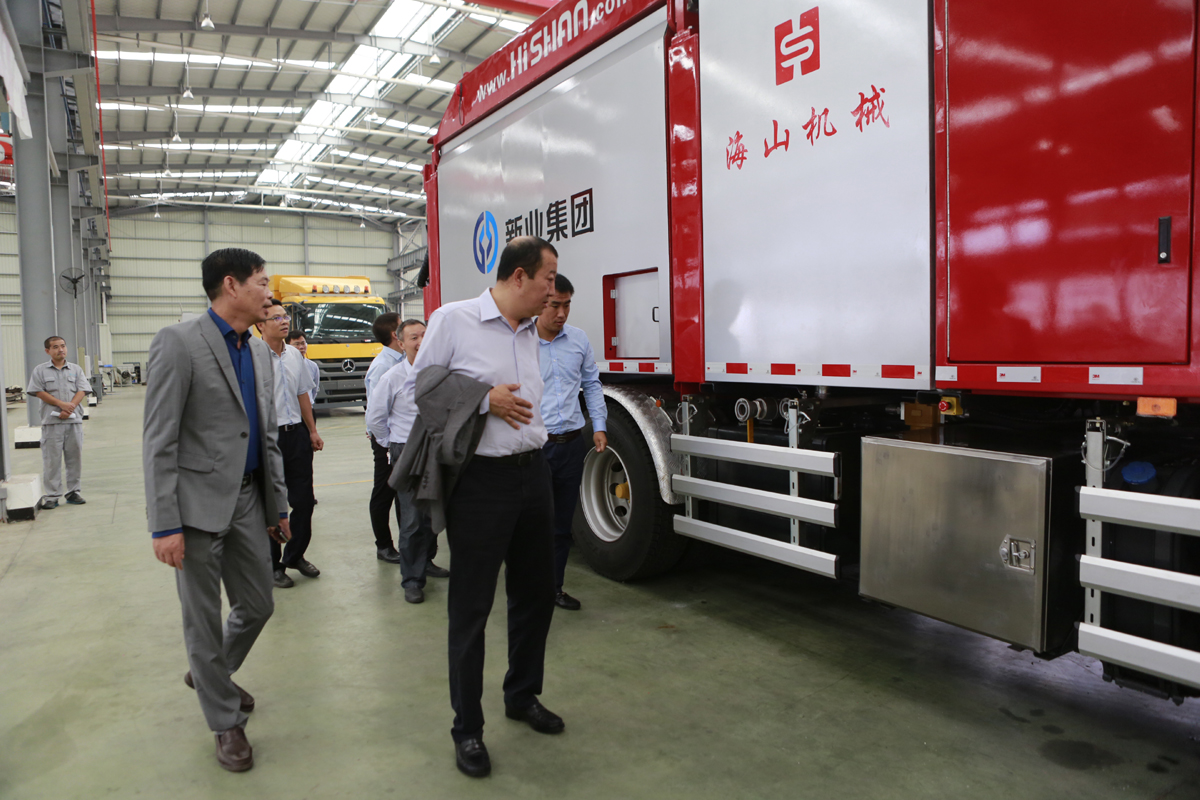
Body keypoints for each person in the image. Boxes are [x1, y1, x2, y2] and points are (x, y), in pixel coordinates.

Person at [403, 236, 562, 779]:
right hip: (481, 483)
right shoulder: (454, 319)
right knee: (471, 608)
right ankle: (467, 728)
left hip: (533, 475)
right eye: (547, 279)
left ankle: (522, 694)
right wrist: (482, 398)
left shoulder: (532, 330)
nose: (552, 291)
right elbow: (423, 390)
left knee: (535, 594)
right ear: (519, 277)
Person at [142, 247, 290, 773]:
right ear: (231, 285)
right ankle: (225, 720)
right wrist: (164, 523)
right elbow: (159, 439)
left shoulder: (259, 353)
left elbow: (266, 436)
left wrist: (278, 503)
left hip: (248, 500)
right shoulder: (179, 343)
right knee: (202, 620)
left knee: (259, 604)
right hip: (195, 507)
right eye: (261, 282)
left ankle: (210, 674)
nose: (269, 293)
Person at [536, 274, 607, 611]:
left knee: (561, 525)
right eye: (555, 305)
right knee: (530, 523)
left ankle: (553, 588)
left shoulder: (578, 339)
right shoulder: (520, 341)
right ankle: (526, 588)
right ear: (541, 303)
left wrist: (599, 426)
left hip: (570, 446)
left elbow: (591, 384)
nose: (562, 313)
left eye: (567, 305)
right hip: (534, 449)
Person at [366, 319, 442, 604]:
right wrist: (392, 446)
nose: (420, 342)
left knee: (433, 514)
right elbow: (375, 418)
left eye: (424, 335)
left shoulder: (440, 374)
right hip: (406, 450)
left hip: (435, 450)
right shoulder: (392, 377)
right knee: (411, 519)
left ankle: (427, 561)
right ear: (401, 343)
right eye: (413, 337)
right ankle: (412, 579)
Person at [258, 300, 323, 589]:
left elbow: (302, 394)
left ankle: (294, 556)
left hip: (296, 434)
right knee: (271, 504)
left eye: (285, 317)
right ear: (260, 325)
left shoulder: (295, 355)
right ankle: (273, 566)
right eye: (276, 318)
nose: (284, 321)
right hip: (267, 436)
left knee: (304, 501)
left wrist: (312, 430)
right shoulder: (252, 356)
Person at [26, 336, 89, 508]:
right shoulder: (40, 370)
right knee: (51, 461)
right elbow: (38, 391)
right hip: (52, 422)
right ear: (47, 351)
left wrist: (70, 407)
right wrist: (61, 405)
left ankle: (74, 492)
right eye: (55, 347)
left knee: (74, 459)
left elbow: (82, 390)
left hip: (73, 422)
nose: (60, 349)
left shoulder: (76, 369)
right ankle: (52, 496)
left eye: (63, 346)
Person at [365, 312, 407, 564]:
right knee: (384, 492)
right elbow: (375, 412)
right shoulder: (383, 366)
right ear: (395, 335)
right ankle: (384, 546)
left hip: (400, 439)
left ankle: (408, 546)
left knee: (402, 493)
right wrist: (386, 444)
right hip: (387, 441)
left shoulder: (402, 361)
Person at [286, 329, 320, 408]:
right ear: (288, 346)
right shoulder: (285, 365)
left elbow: (314, 389)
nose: (301, 347)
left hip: (308, 407)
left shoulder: (313, 366)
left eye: (303, 343)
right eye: (297, 344)